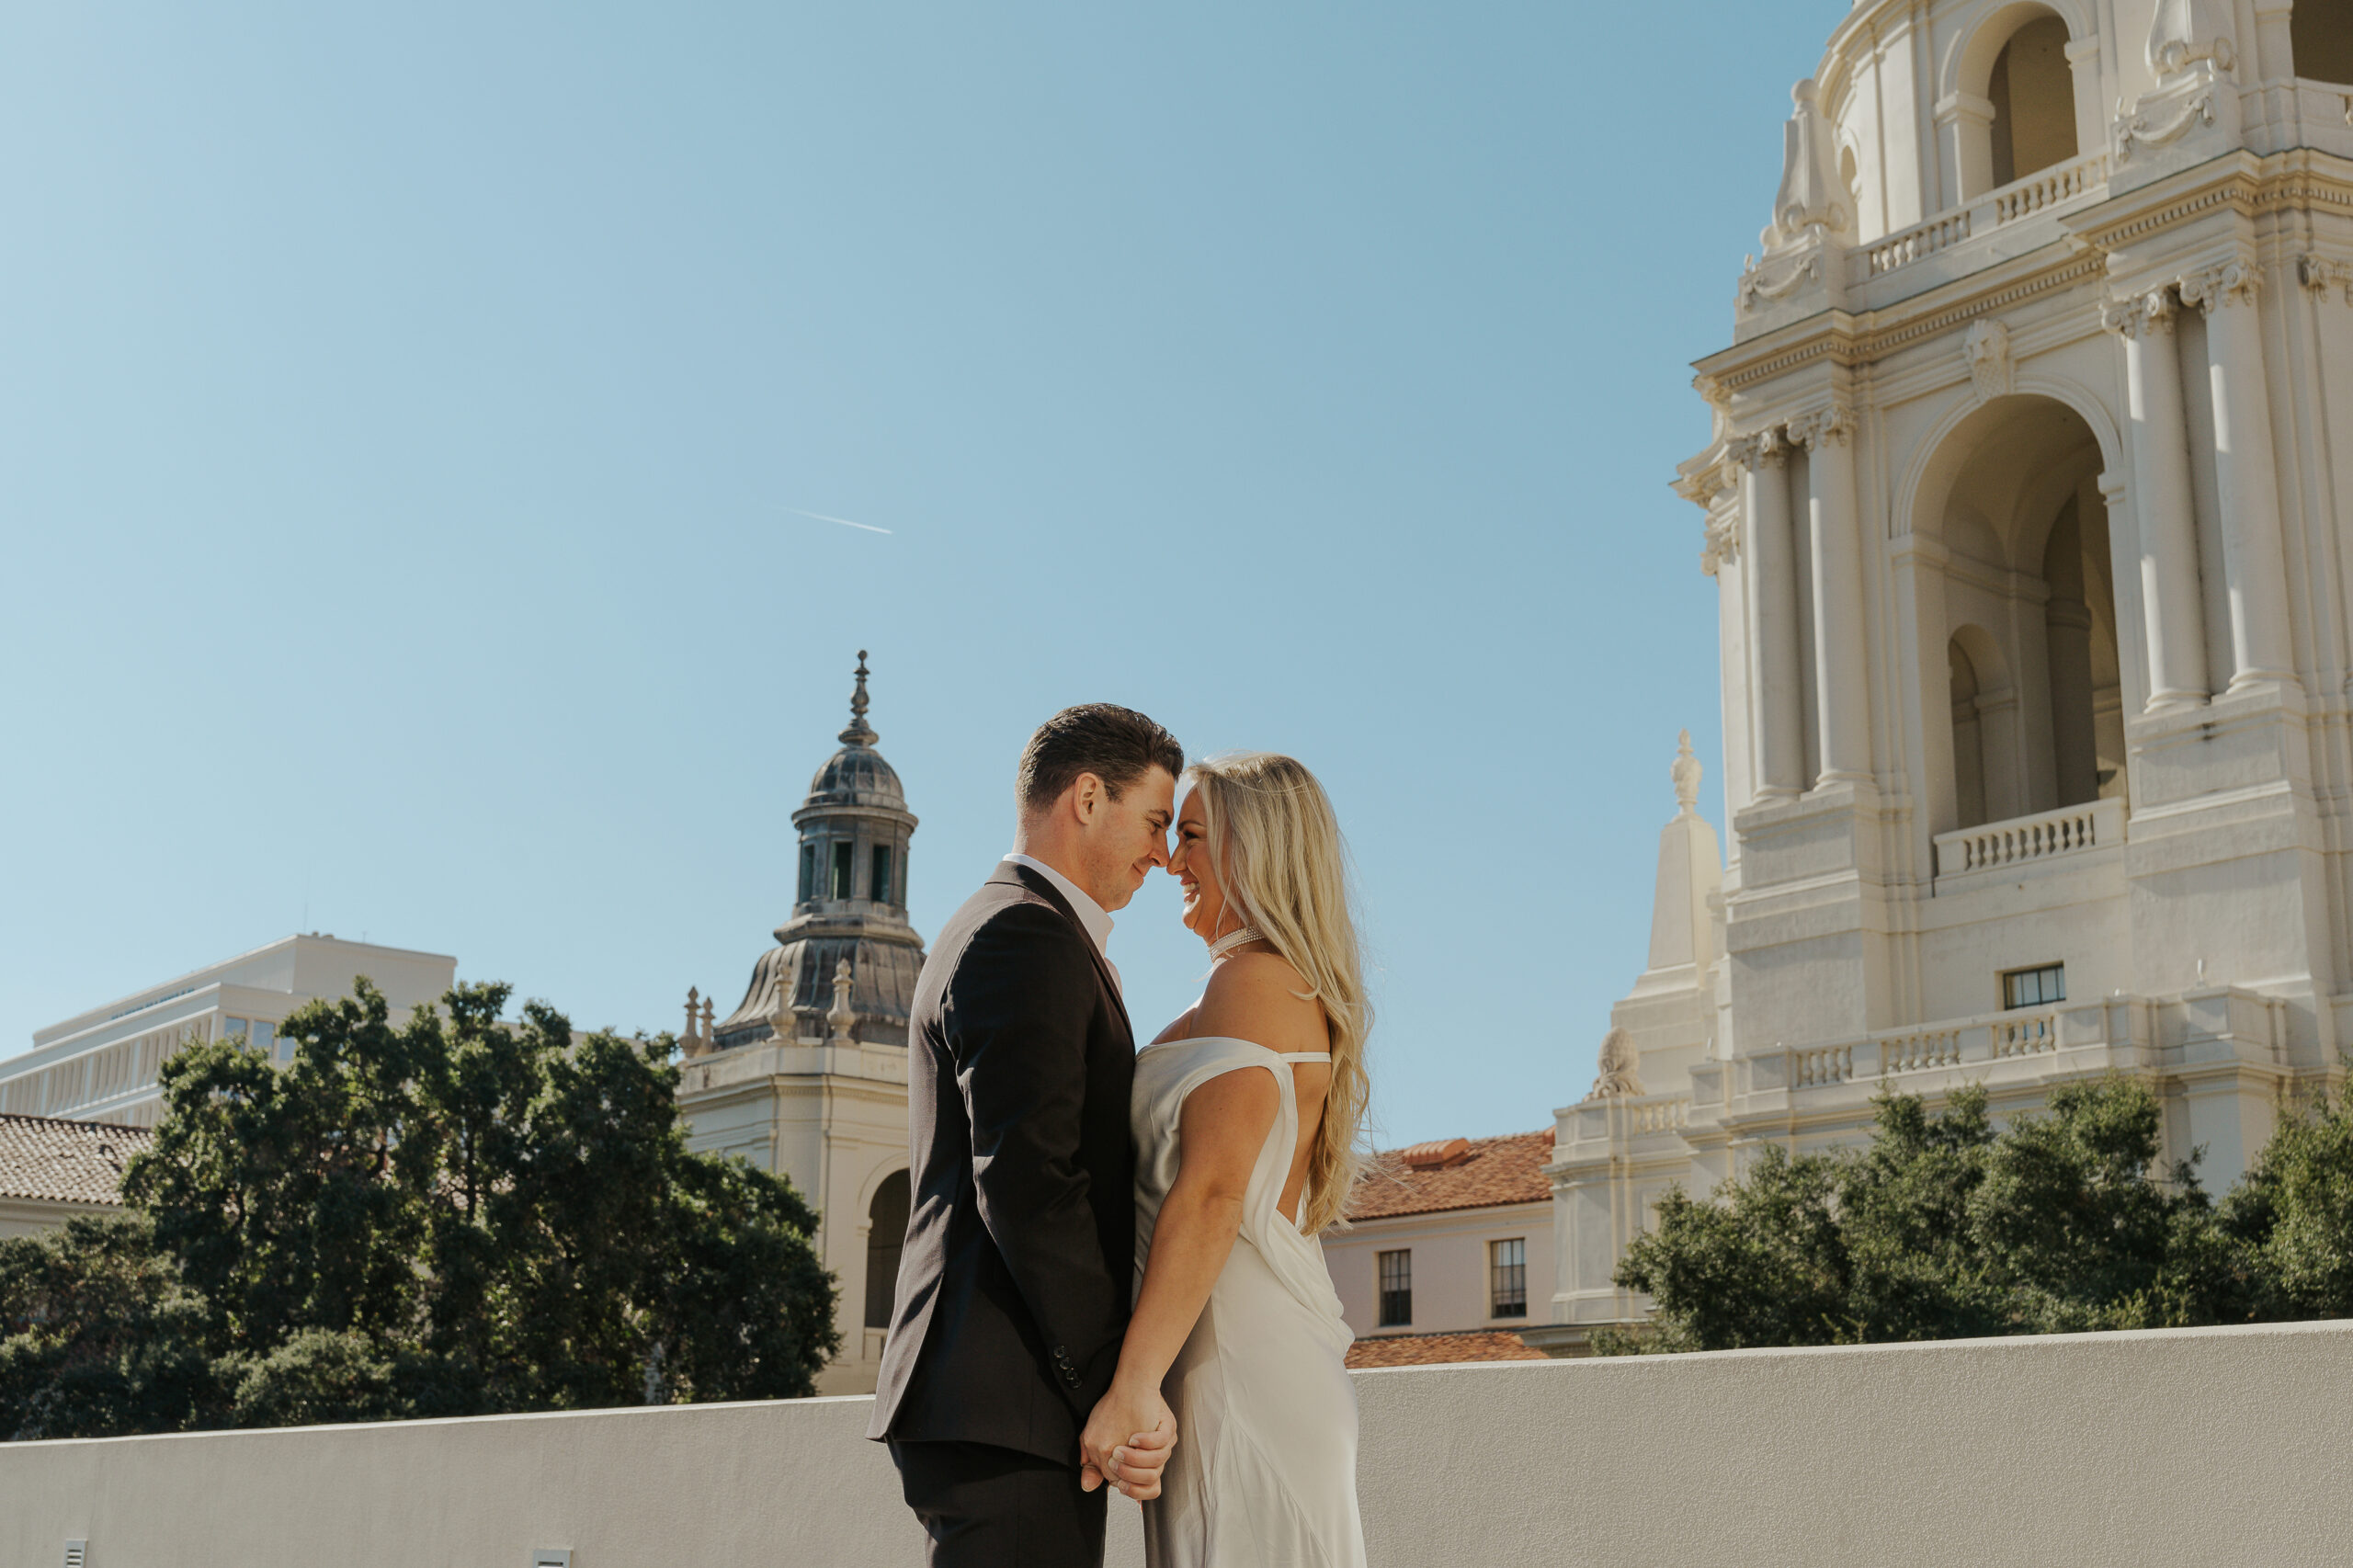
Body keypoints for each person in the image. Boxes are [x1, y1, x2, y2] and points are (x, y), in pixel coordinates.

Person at [870, 703, 1186, 1568]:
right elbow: (1028, 1181)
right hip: (1009, 1398)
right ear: (1089, 797)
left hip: (999, 1401)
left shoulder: (1013, 925)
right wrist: (1114, 1385)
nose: (1163, 854)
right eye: (1156, 821)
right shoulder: (1025, 934)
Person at [1080, 751, 1372, 1567]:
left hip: (1240, 1368)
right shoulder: (1245, 986)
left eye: (1196, 836)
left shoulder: (1257, 981)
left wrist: (1134, 1386)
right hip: (1225, 1359)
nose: (1174, 858)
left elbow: (1210, 1193)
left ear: (1259, 850)